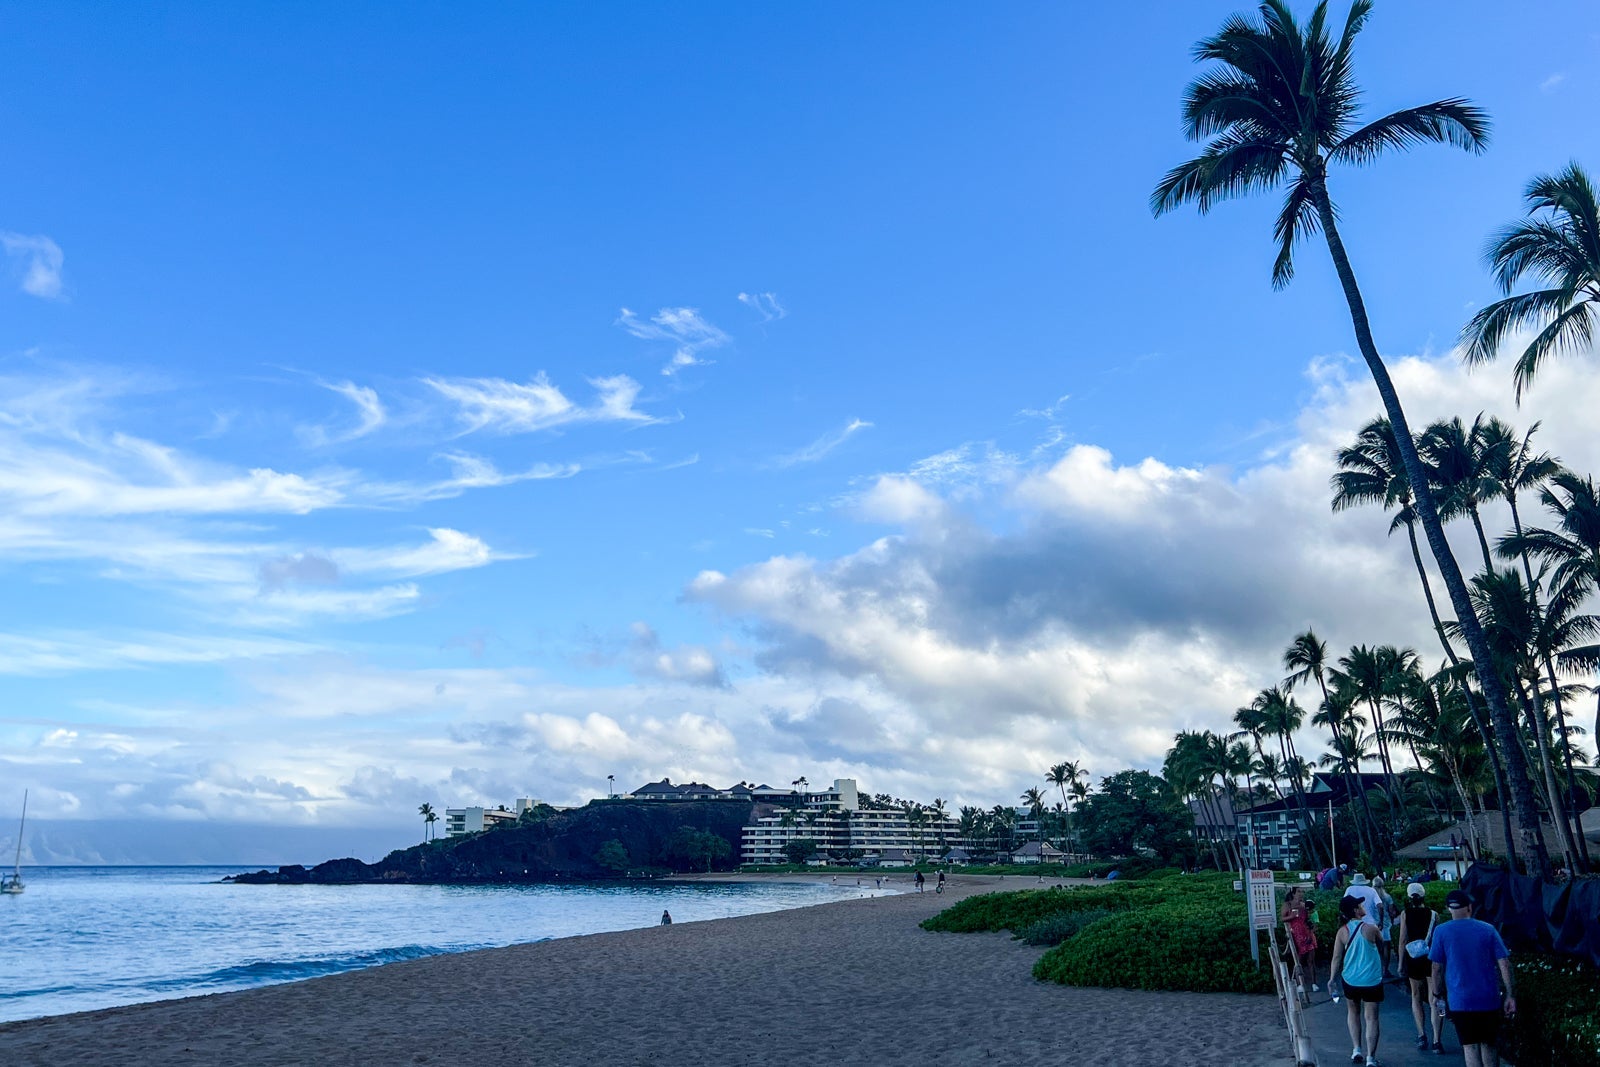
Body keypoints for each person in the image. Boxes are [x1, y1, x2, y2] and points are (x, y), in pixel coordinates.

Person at [1429, 889, 1515, 1067]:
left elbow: (1436, 968)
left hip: (1460, 1001)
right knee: (1489, 1045)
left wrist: (1437, 994)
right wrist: (1510, 994)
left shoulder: (1441, 932)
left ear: (1448, 908)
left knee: (1470, 1047)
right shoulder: (1488, 929)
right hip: (1488, 999)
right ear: (1470, 907)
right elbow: (1504, 963)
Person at [1329, 894, 1385, 1067]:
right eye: (1360, 905)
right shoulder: (1371, 929)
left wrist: (1332, 979)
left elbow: (1336, 958)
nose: (1363, 906)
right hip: (1372, 979)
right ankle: (1371, 1058)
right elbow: (1382, 948)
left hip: (1350, 979)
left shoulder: (1342, 931)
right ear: (1356, 910)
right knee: (1372, 1018)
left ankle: (1356, 1050)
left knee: (1353, 1013)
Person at [1397, 882, 1444, 1053]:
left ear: (1409, 897)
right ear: (1424, 896)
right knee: (1435, 998)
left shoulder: (1405, 914)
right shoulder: (1434, 915)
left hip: (1413, 958)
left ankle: (1421, 1034)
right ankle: (1437, 1040)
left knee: (1416, 996)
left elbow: (1403, 939)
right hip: (1431, 959)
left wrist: (1401, 963)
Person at [1280, 886, 1319, 995]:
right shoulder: (1288, 905)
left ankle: (1314, 983)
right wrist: (1291, 916)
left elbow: (1310, 918)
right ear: (1293, 893)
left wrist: (1312, 924)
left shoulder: (1304, 905)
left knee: (1311, 960)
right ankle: (1300, 983)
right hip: (1295, 934)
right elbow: (1282, 918)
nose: (1301, 894)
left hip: (1307, 933)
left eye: (1302, 891)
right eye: (1299, 891)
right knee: (1299, 960)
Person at [1371, 875, 1397, 978]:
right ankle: (1385, 970)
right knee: (1387, 947)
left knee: (1375, 948)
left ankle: (1377, 969)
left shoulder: (1371, 896)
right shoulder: (1387, 897)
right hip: (1385, 924)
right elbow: (1391, 912)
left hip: (1374, 924)